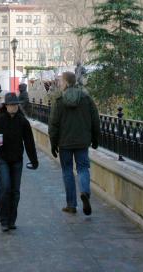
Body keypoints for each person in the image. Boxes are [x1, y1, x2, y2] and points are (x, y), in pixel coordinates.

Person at [48, 72, 100, 215]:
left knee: (67, 171)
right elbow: (95, 119)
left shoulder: (59, 101)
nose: (59, 84)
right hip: (82, 141)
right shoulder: (86, 98)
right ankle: (84, 192)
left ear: (65, 82)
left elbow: (53, 124)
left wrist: (53, 143)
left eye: (60, 81)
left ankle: (71, 205)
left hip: (64, 143)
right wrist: (96, 138)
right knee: (83, 168)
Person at [0, 92, 39, 232]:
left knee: (15, 191)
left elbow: (29, 142)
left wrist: (34, 160)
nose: (13, 107)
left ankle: (11, 220)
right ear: (6, 106)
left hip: (17, 160)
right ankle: (3, 219)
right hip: (2, 159)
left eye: (15, 105)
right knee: (5, 188)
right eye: (11, 105)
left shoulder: (23, 121)